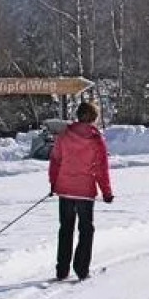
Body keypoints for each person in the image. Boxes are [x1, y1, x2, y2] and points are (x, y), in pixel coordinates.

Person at [48, 101, 113, 281]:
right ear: (93, 118)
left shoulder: (64, 135)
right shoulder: (96, 139)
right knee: (86, 229)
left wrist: (53, 184)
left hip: (65, 189)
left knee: (65, 229)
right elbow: (101, 168)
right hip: (85, 191)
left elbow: (55, 161)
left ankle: (62, 270)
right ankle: (81, 268)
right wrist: (106, 192)